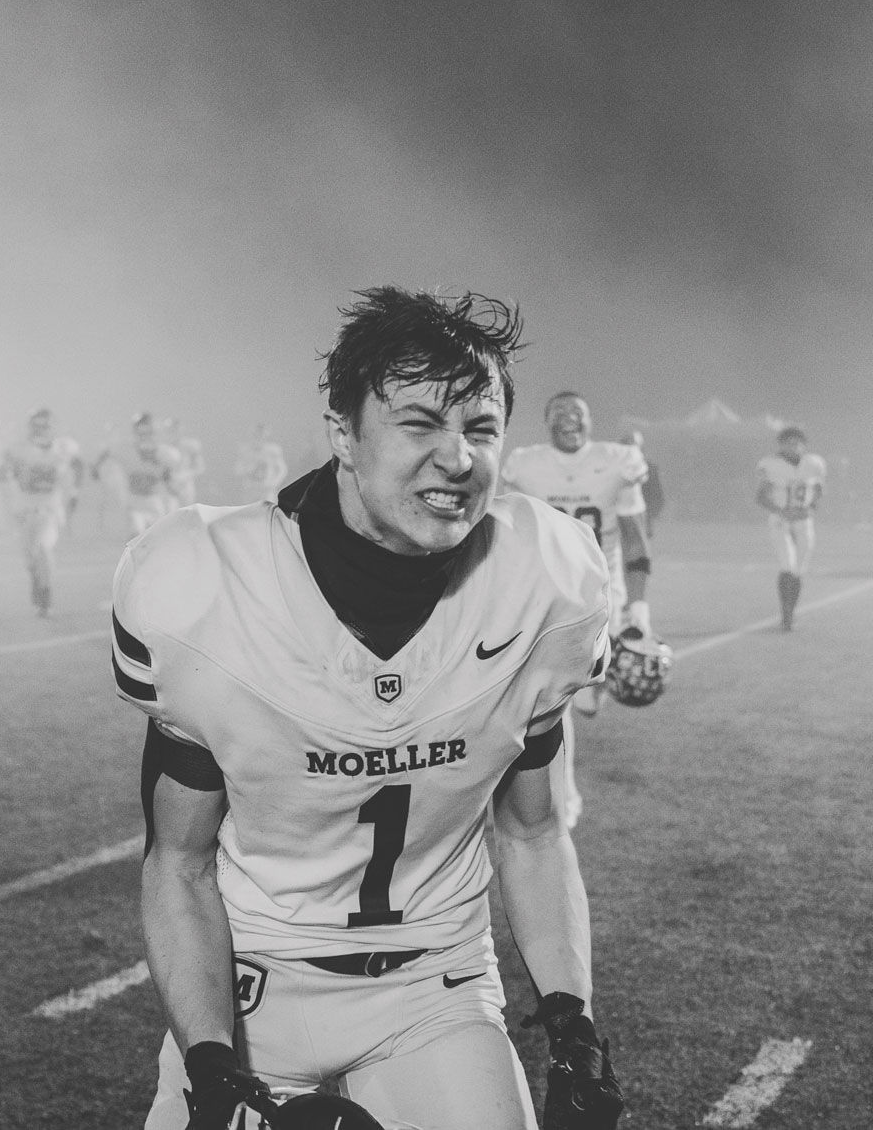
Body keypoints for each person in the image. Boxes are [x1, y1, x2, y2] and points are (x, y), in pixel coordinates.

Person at [112, 287, 625, 1130]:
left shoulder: (544, 579)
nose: (458, 458)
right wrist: (210, 1061)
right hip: (255, 989)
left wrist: (572, 1022)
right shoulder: (204, 585)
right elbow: (180, 861)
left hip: (435, 989)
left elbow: (532, 832)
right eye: (420, 423)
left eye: (482, 428)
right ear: (343, 433)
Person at [502, 394, 655, 827]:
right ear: (547, 421)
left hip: (601, 592)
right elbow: (511, 532)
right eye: (560, 412)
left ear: (590, 421)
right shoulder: (525, 465)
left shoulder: (617, 462)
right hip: (546, 593)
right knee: (553, 699)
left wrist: (639, 607)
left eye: (578, 413)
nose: (569, 419)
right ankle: (564, 800)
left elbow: (635, 538)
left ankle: (594, 688)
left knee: (585, 698)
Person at [0, 407, 82, 615]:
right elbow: (2, 471)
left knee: (43, 547)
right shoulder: (19, 449)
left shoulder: (64, 448)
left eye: (44, 426)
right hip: (24, 510)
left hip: (49, 509)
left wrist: (74, 492)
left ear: (52, 427)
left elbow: (78, 466)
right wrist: (5, 472)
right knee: (29, 558)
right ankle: (36, 579)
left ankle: (46, 594)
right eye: (36, 425)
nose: (40, 430)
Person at [755, 426, 826, 631]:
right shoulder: (770, 465)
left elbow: (818, 490)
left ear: (804, 445)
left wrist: (811, 508)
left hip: (804, 520)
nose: (793, 447)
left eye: (797, 443)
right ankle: (786, 614)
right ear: (781, 445)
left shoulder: (814, 464)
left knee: (798, 570)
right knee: (787, 565)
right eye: (788, 443)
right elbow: (760, 497)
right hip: (781, 520)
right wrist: (781, 511)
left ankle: (791, 612)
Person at [92, 412, 182, 538]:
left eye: (147, 432)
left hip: (154, 501)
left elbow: (170, 472)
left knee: (155, 539)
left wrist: (170, 484)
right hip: (134, 501)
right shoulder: (127, 450)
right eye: (141, 432)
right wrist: (96, 468)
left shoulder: (163, 452)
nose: (143, 436)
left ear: (152, 432)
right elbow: (108, 453)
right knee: (136, 533)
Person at [234, 423, 289, 504]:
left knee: (266, 509)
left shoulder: (273, 450)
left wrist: (274, 483)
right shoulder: (246, 450)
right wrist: (247, 471)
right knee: (249, 510)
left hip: (266, 490)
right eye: (256, 434)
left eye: (262, 434)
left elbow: (282, 470)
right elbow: (238, 469)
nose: (260, 437)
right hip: (251, 490)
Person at [163, 417, 207, 508]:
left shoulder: (190, 445)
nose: (171, 432)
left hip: (185, 487)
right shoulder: (162, 448)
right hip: (168, 488)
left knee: (186, 511)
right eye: (169, 430)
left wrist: (184, 476)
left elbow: (200, 467)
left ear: (180, 429)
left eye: (174, 429)